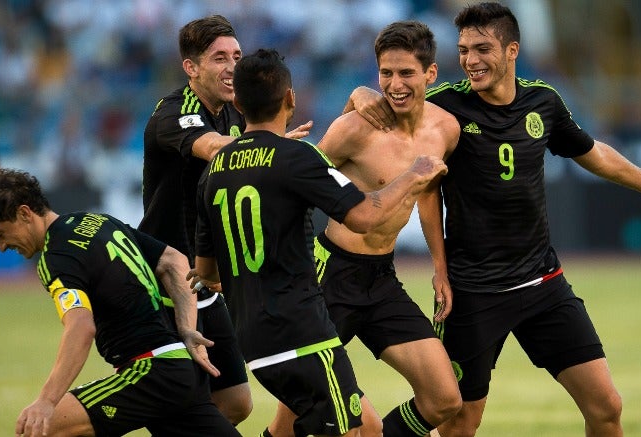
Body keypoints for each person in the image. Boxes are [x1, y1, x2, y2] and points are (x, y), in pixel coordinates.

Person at [347, 3, 641, 436]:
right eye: (463, 49)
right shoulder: (444, 108)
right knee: (460, 425)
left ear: (512, 50)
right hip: (473, 294)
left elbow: (593, 154)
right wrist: (362, 95)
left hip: (543, 285)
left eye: (482, 48)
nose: (470, 60)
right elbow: (396, 114)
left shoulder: (543, 102)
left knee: (607, 407)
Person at [193, 48, 448, 436]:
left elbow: (207, 270)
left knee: (371, 428)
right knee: (357, 431)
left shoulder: (215, 169)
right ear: (291, 98)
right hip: (302, 330)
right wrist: (413, 176)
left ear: (239, 102)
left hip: (252, 335)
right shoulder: (298, 157)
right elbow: (363, 216)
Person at [270, 20, 461, 437]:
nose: (394, 84)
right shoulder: (356, 128)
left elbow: (429, 196)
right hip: (328, 278)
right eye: (386, 73)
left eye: (406, 73)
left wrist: (440, 268)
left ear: (430, 74)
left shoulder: (446, 129)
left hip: (381, 279)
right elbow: (298, 185)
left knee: (445, 399)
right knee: (301, 419)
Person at [0, 169, 241, 437]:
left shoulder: (56, 257)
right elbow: (174, 261)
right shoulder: (97, 221)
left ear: (25, 213)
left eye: (0, 233)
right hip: (180, 369)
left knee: (42, 427)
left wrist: (47, 401)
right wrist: (187, 330)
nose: (0, 246)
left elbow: (81, 327)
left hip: (149, 372)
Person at [138, 15, 312, 425]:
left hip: (206, 276)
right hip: (162, 277)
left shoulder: (236, 114)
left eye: (236, 55)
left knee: (235, 403)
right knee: (175, 395)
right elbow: (216, 148)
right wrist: (270, 146)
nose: (232, 65)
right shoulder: (172, 112)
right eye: (219, 58)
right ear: (191, 68)